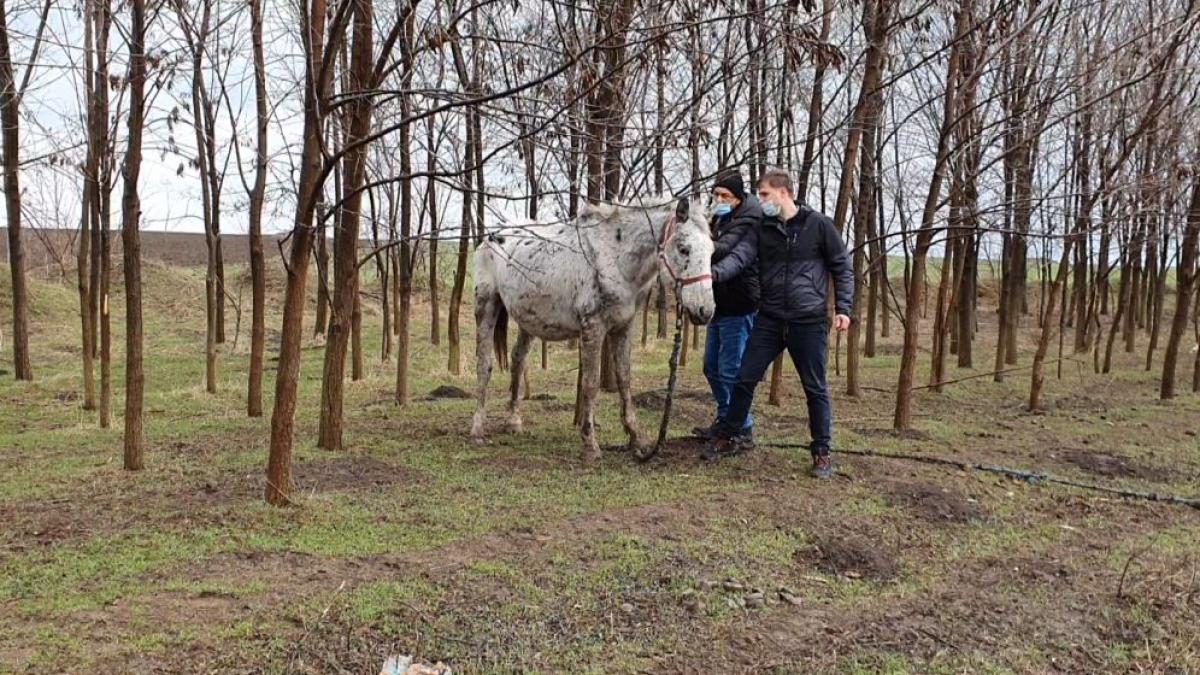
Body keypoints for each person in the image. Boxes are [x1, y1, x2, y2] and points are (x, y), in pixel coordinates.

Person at [705, 168, 853, 479]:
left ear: (783, 193)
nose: (760, 201)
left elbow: (842, 266)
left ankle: (822, 452)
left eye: (764, 195)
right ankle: (730, 435)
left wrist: (843, 308)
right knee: (744, 379)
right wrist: (712, 274)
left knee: (815, 388)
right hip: (769, 318)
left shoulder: (819, 225)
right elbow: (741, 256)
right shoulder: (764, 228)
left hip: (808, 321)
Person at [693, 171, 762, 443]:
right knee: (711, 367)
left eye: (725, 196)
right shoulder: (719, 217)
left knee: (731, 368)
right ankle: (726, 418)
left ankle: (740, 427)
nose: (719, 199)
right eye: (716, 194)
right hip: (719, 304)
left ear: (738, 197)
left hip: (740, 302)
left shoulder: (748, 221)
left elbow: (727, 250)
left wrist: (698, 246)